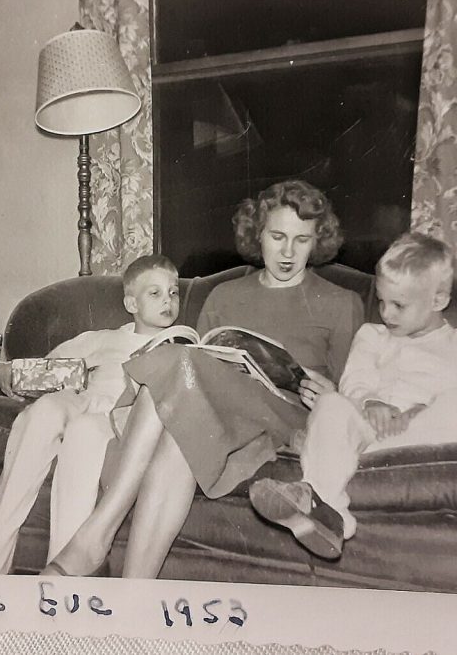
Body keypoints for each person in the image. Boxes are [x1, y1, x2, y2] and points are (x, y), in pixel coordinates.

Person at [43, 179, 364, 578]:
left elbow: (358, 392)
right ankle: (133, 596)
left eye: (302, 240)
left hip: (286, 420)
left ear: (319, 240)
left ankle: (96, 534)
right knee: (179, 438)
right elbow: (201, 353)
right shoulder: (224, 297)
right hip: (221, 420)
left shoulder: (341, 303)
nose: (287, 251)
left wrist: (333, 391)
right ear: (257, 234)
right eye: (277, 236)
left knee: (175, 363)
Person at [249, 232, 457, 559]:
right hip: (369, 437)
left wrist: (423, 409)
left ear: (438, 299)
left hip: (427, 435)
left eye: (399, 305)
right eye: (383, 301)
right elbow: (355, 380)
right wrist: (369, 401)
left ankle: (325, 473)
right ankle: (326, 510)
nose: (386, 313)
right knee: (331, 404)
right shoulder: (373, 336)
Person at [0, 254, 181, 574]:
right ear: (131, 303)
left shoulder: (179, 345)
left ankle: (62, 568)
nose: (168, 300)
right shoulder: (104, 339)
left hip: (117, 416)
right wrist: (3, 370)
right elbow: (42, 368)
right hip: (83, 398)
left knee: (87, 429)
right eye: (155, 293)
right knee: (44, 411)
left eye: (174, 292)